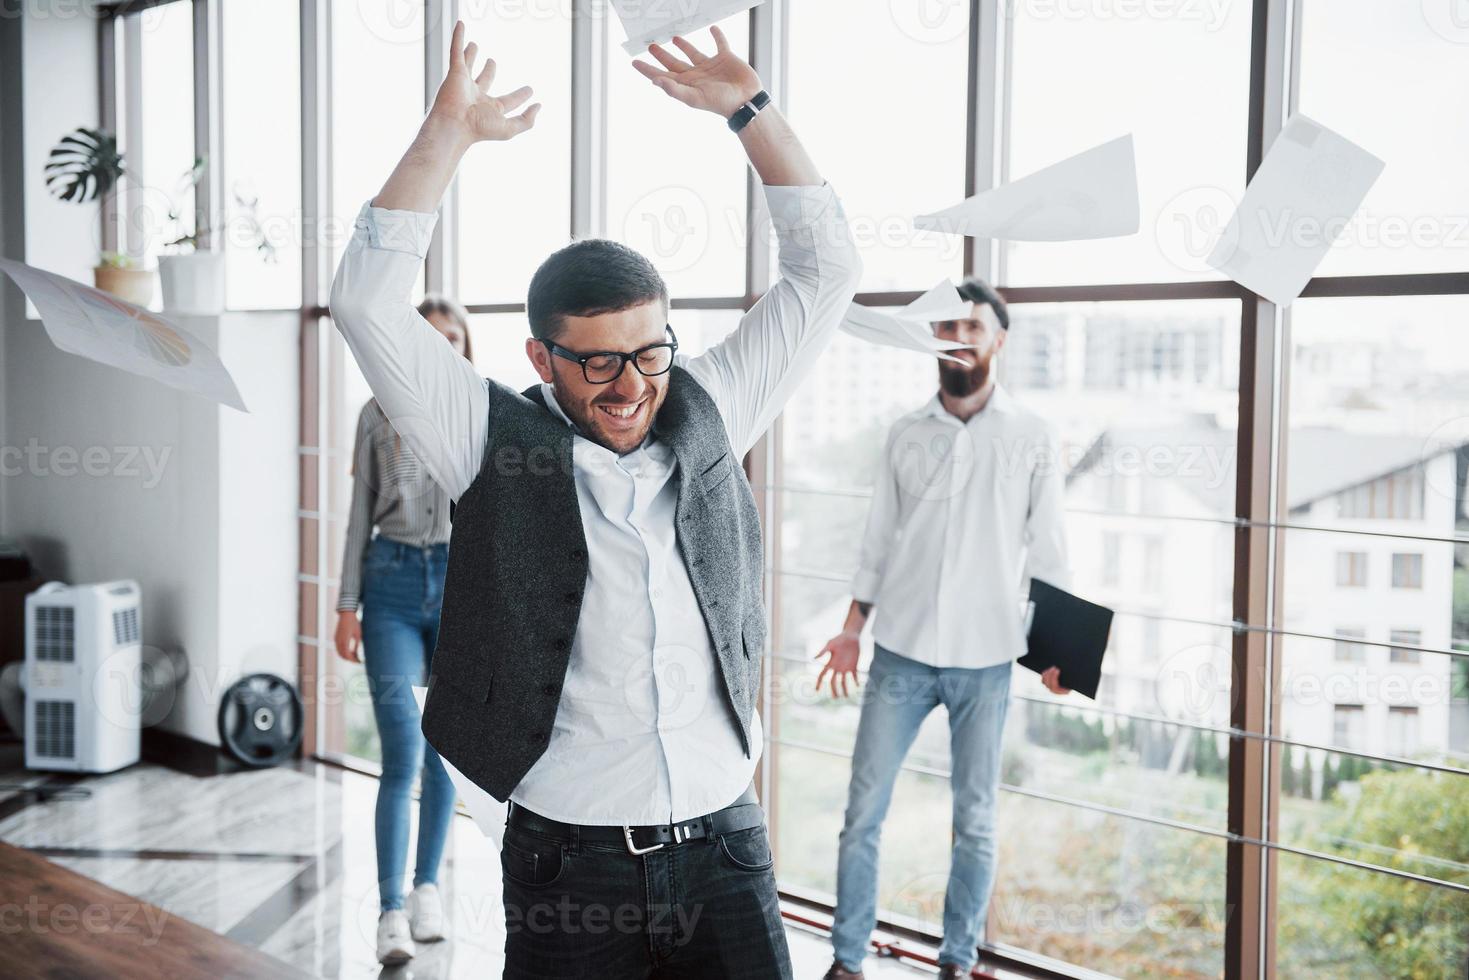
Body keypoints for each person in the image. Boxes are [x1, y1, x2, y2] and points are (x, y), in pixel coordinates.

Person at [328, 20, 860, 978]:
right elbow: (365, 302)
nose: (629, 385)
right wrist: (447, 132)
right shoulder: (484, 435)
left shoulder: (714, 404)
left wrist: (752, 112)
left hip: (727, 846)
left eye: (649, 353)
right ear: (540, 356)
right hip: (568, 858)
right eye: (597, 361)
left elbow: (825, 274)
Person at [816, 278, 1071, 980]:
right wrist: (849, 629)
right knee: (861, 813)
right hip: (900, 650)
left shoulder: (1032, 437)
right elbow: (877, 541)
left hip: (987, 660)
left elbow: (1048, 551)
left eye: (972, 330)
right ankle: (845, 960)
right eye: (947, 330)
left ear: (999, 342)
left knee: (976, 823)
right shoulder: (904, 433)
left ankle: (956, 964)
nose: (958, 341)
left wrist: (1058, 653)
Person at [333, 294, 473, 965]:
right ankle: (390, 911)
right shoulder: (374, 413)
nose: (442, 346)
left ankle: (426, 890)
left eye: (454, 338)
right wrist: (344, 604)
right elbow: (358, 515)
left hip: (456, 587)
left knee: (445, 748)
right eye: (431, 336)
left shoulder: (476, 414)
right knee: (402, 751)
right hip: (387, 581)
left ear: (463, 349)